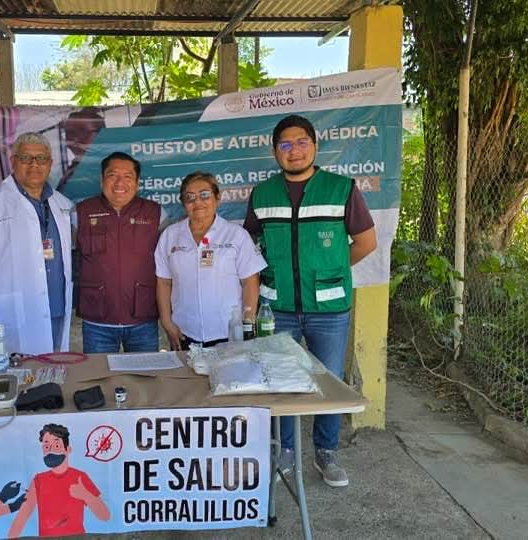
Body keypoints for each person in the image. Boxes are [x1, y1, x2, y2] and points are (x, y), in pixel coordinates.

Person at [244, 114, 377, 487]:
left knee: (328, 382)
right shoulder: (262, 194)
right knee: (282, 382)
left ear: (315, 147)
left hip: (329, 310)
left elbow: (366, 243)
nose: (294, 151)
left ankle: (326, 451)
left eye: (302, 142)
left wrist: (331, 267)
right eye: (285, 144)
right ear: (275, 152)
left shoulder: (341, 189)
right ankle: (284, 450)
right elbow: (249, 249)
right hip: (277, 308)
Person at [0, 132, 74, 354]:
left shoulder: (63, 204)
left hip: (56, 310)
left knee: (54, 370)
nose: (34, 165)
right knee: (17, 372)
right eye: (26, 158)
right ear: (13, 161)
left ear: (50, 164)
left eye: (41, 158)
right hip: (12, 314)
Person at [155, 171, 266, 350]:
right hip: (184, 331)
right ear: (183, 203)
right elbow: (163, 282)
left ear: (217, 197)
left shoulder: (236, 234)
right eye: (190, 197)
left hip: (229, 332)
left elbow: (250, 282)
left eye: (204, 195)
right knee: (186, 369)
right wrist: (167, 322)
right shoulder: (170, 235)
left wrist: (247, 324)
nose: (198, 202)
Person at [76, 152, 164, 353]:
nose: (119, 183)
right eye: (112, 175)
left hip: (142, 319)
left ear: (137, 182)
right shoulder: (80, 213)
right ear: (101, 180)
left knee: (145, 372)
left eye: (127, 176)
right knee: (99, 372)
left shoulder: (156, 213)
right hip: (97, 322)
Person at [7, 424, 110, 538]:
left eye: (56, 445)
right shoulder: (39, 480)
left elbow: (105, 515)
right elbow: (21, 518)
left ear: (68, 449)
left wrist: (85, 495)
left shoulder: (80, 477)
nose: (51, 450)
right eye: (46, 446)